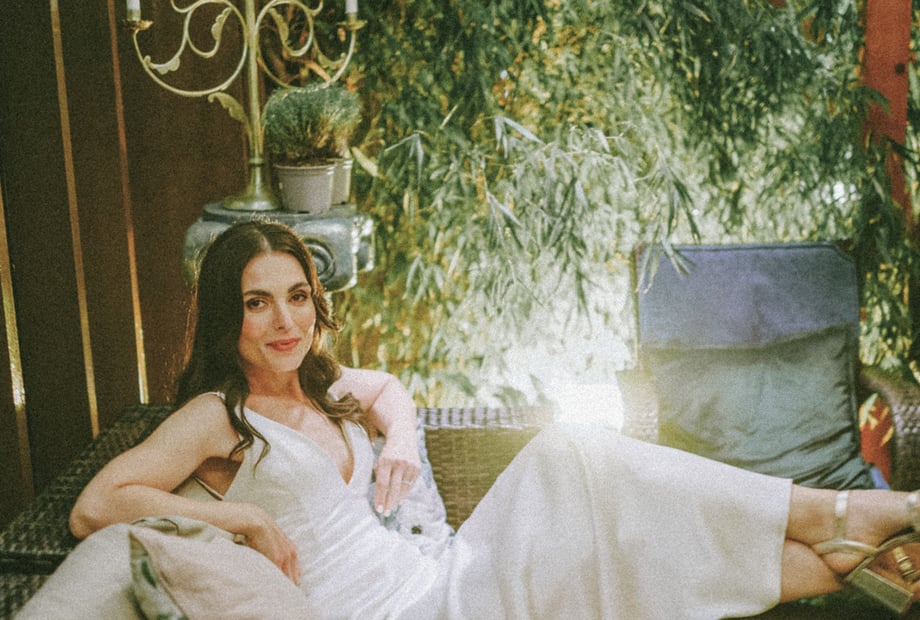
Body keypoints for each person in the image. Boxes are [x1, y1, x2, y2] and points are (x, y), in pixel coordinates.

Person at [26, 221, 920, 618]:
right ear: (228, 315)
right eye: (258, 304)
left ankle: (845, 553)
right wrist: (244, 520)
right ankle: (843, 517)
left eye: (296, 296)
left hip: (443, 576)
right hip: (405, 613)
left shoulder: (319, 384)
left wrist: (404, 439)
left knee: (612, 529)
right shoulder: (218, 414)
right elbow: (97, 506)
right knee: (570, 461)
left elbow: (388, 392)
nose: (284, 321)